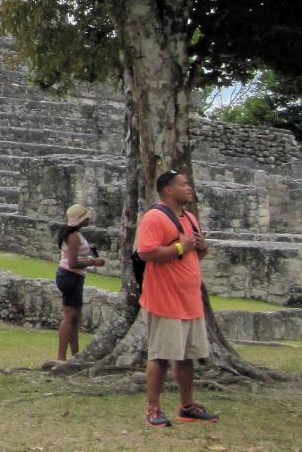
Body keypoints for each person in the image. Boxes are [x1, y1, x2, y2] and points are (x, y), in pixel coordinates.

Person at [137, 169, 218, 427]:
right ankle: (153, 409)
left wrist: (200, 247)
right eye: (183, 184)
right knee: (160, 355)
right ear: (168, 190)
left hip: (189, 300)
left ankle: (187, 406)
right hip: (165, 299)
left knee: (187, 356)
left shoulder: (190, 218)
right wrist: (181, 246)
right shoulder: (155, 218)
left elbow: (193, 255)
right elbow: (146, 253)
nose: (189, 188)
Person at [54, 203, 105, 361]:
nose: (89, 218)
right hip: (70, 276)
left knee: (75, 317)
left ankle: (75, 355)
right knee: (70, 316)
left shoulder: (75, 234)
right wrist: (92, 262)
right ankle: (61, 356)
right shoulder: (73, 236)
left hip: (74, 276)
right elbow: (73, 262)